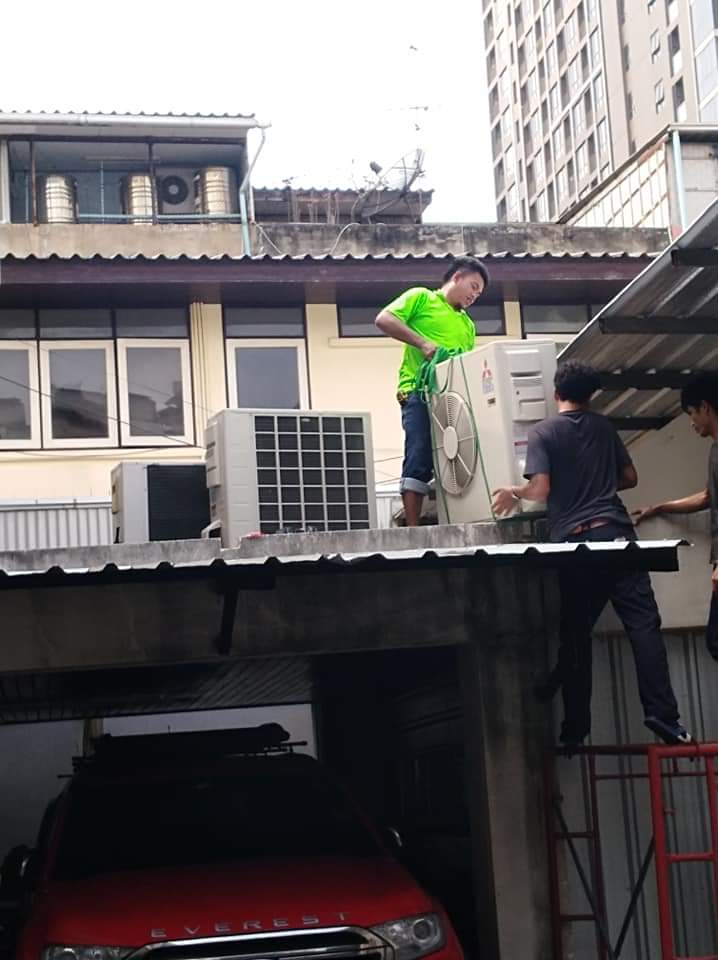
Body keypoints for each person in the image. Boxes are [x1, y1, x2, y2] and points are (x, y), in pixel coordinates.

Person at [492, 360, 692, 748]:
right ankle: (664, 716)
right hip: (618, 536)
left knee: (576, 634)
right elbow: (630, 478)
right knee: (643, 625)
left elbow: (540, 490)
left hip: (577, 544)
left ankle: (575, 727)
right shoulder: (604, 427)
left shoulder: (543, 432)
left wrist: (513, 491)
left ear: (556, 393)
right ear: (591, 396)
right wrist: (598, 482)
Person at [375, 256, 490, 526]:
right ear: (457, 277)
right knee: (419, 452)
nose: (474, 296)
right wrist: (423, 344)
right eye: (473, 287)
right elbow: (384, 319)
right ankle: (413, 528)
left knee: (456, 455)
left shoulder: (468, 325)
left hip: (452, 399)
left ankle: (454, 516)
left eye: (479, 293)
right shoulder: (422, 297)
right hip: (418, 390)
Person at [634, 372, 718, 661]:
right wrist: (659, 507)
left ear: (705, 407)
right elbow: (707, 497)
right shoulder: (714, 450)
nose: (692, 422)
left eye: (692, 413)